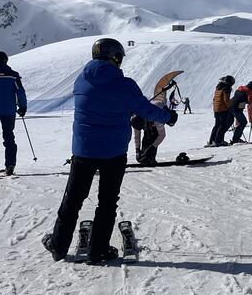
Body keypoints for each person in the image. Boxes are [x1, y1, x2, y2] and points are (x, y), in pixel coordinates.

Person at [41, 39, 176, 264]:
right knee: (107, 202)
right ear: (117, 57)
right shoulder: (125, 84)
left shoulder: (81, 80)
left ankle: (58, 245)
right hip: (113, 153)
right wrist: (169, 117)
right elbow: (145, 109)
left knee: (72, 200)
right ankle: (98, 251)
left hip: (83, 151)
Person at [207, 76, 235, 146]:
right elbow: (226, 100)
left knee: (217, 125)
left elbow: (214, 99)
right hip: (223, 109)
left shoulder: (218, 88)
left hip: (216, 109)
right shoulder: (226, 88)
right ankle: (218, 141)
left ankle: (212, 141)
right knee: (222, 125)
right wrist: (230, 107)